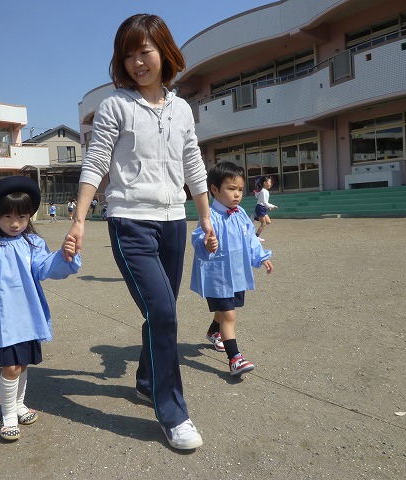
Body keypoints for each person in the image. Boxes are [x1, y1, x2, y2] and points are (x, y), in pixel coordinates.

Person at [63, 13, 216, 450]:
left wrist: (205, 216)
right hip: (129, 222)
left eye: (145, 52)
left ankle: (148, 381)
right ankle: (173, 412)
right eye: (128, 55)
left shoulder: (182, 109)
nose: (137, 63)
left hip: (173, 222)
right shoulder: (116, 105)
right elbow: (96, 161)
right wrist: (79, 219)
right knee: (164, 312)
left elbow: (193, 163)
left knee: (161, 312)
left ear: (164, 52)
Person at [0, 176, 80, 442]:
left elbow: (45, 267)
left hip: (27, 317)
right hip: (0, 319)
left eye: (21, 216)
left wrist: (64, 255)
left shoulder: (32, 243)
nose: (15, 223)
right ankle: (8, 415)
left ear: (29, 216)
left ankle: (19, 405)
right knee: (9, 367)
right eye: (8, 216)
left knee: (21, 365)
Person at [190, 162, 274, 375]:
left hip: (237, 273)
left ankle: (213, 332)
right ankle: (235, 358)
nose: (237, 194)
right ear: (214, 189)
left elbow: (251, 239)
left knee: (225, 310)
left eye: (240, 189)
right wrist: (206, 244)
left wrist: (261, 257)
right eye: (231, 188)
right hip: (218, 276)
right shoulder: (209, 216)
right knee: (229, 315)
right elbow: (198, 237)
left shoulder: (241, 213)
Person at [254, 175, 278, 241]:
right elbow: (264, 202)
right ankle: (256, 237)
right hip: (260, 208)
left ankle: (255, 218)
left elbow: (265, 202)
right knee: (263, 224)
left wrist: (268, 207)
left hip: (263, 208)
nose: (271, 184)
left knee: (268, 222)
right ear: (265, 183)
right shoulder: (263, 191)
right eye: (269, 182)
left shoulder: (265, 191)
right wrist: (272, 206)